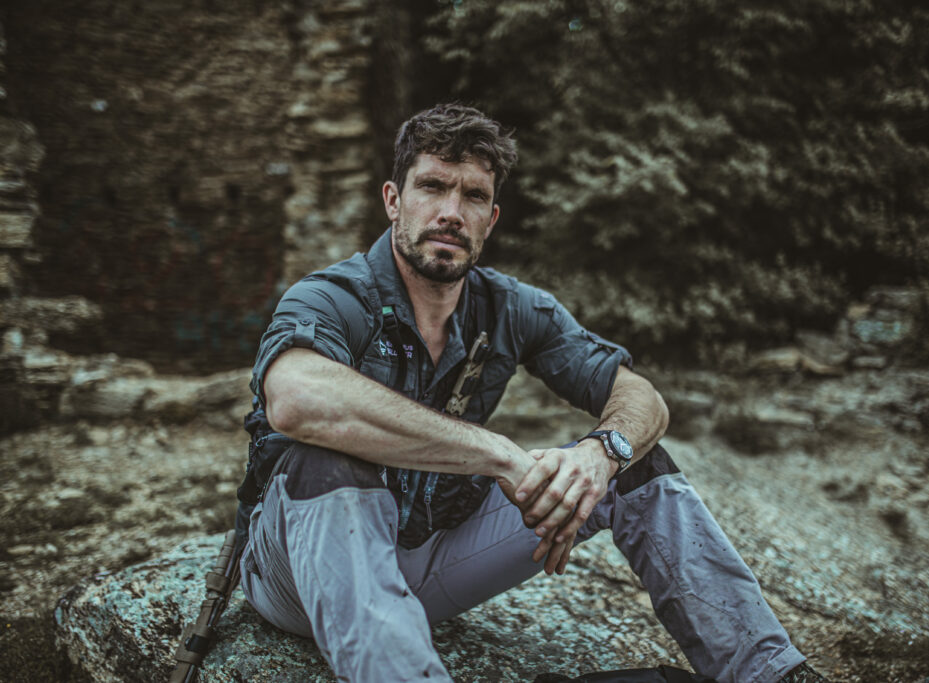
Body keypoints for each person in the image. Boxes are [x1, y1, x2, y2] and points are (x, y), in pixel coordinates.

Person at [236, 103, 827, 683]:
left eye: (472, 196)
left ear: (491, 219)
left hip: (433, 562)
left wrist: (600, 455)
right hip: (301, 575)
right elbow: (295, 398)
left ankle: (770, 672)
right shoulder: (333, 296)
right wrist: (500, 456)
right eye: (433, 187)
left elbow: (642, 398)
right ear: (393, 200)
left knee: (636, 462)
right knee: (322, 460)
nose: (450, 212)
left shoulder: (511, 306)